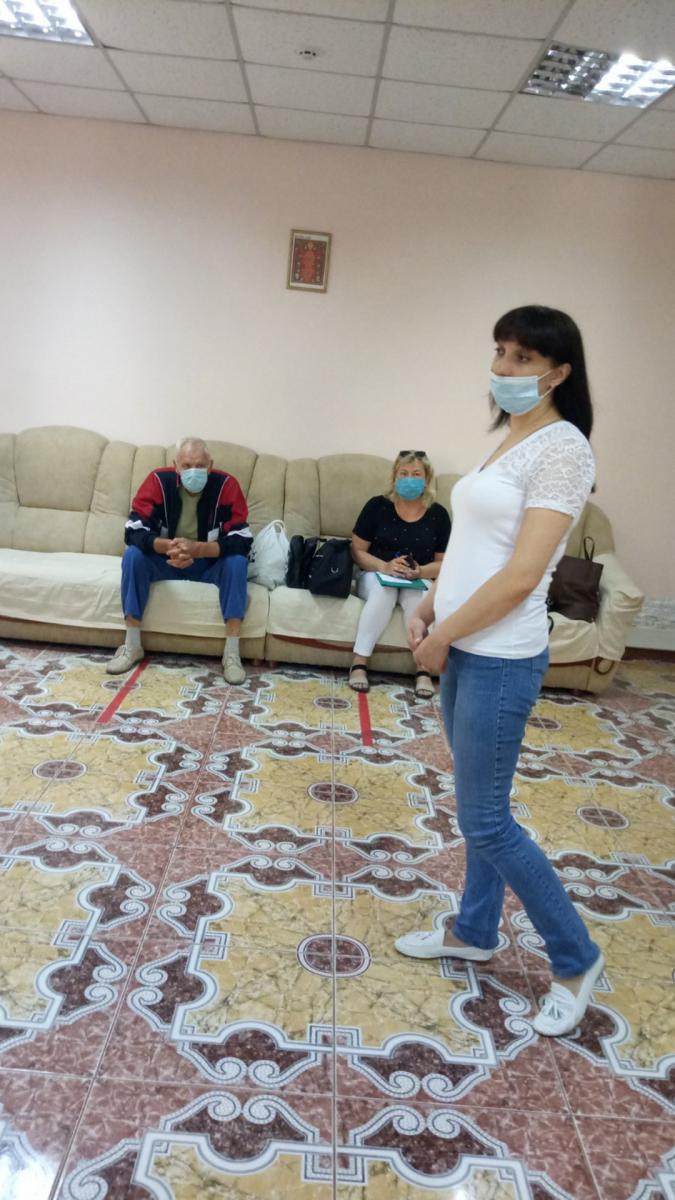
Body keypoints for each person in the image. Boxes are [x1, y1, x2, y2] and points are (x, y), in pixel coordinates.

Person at [396, 306, 604, 1038]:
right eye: (500, 352)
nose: (503, 369)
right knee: (479, 809)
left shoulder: (564, 449)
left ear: (558, 372)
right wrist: (430, 603)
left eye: (521, 358)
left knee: (485, 819)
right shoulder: (512, 438)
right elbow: (475, 546)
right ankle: (474, 931)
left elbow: (521, 576)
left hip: (500, 656)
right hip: (465, 643)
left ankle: (576, 959)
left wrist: (444, 638)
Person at [107, 437, 252, 684]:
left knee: (237, 562)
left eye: (200, 465)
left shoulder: (227, 485)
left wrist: (199, 549)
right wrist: (168, 546)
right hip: (166, 560)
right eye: (186, 466)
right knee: (133, 555)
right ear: (175, 466)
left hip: (207, 563)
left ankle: (231, 654)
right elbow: (133, 530)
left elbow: (242, 539)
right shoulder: (157, 481)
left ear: (210, 466)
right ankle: (132, 645)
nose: (193, 471)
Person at [350, 452, 450, 698]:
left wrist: (420, 571)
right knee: (384, 593)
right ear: (394, 477)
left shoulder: (438, 514)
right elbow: (357, 551)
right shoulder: (377, 506)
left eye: (416, 474)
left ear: (427, 480)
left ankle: (422, 668)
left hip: (417, 578)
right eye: (403, 473)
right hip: (376, 574)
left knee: (418, 600)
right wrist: (384, 566)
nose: (409, 479)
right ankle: (359, 663)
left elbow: (444, 563)